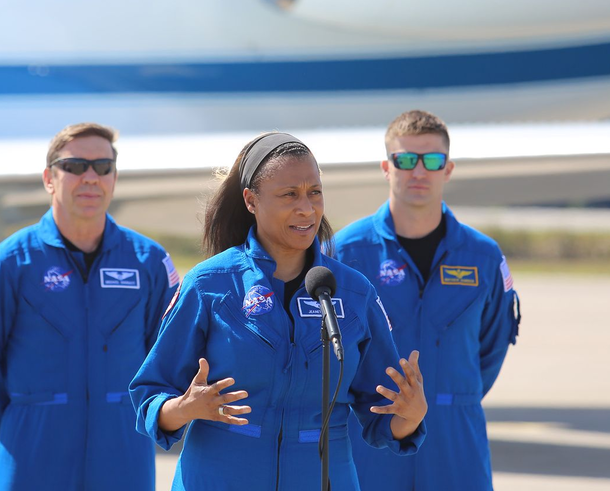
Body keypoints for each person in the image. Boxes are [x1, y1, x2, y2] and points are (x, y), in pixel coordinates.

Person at [130, 132, 427, 490]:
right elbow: (150, 394)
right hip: (218, 476)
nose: (307, 208)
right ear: (251, 201)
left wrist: (411, 416)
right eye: (290, 195)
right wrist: (184, 408)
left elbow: (382, 415)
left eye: (314, 192)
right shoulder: (209, 284)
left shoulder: (353, 293)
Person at [0, 122, 179, 491]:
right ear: (49, 178)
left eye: (102, 167)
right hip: (33, 457)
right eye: (75, 166)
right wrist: (20, 424)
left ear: (114, 178)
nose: (90, 177)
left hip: (124, 456)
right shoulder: (13, 261)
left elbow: (168, 358)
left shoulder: (149, 262)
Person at [334, 110, 521, 491]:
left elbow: (493, 344)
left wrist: (449, 394)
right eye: (405, 160)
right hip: (371, 440)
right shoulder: (345, 253)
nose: (418, 171)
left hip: (455, 440)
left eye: (432, 160)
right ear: (387, 168)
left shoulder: (483, 256)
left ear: (448, 169)